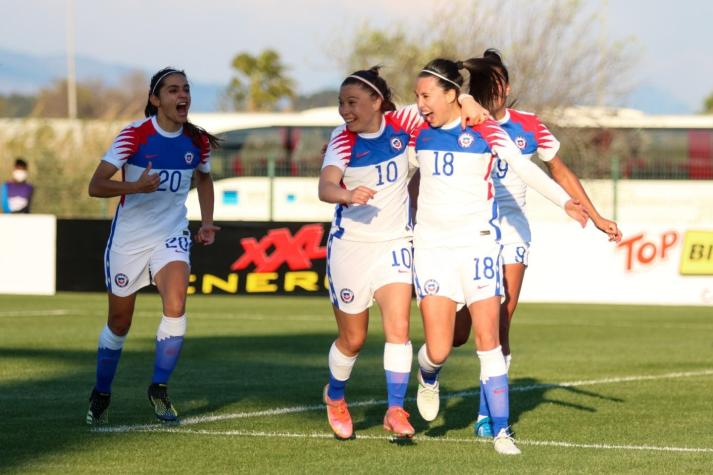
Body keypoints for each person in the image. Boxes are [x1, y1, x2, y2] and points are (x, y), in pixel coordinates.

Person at [409, 58, 588, 455]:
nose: (420, 103)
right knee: (440, 348)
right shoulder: (414, 127)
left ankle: (501, 430)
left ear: (450, 95)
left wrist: (565, 202)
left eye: (426, 96)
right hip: (433, 251)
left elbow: (526, 169)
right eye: (417, 96)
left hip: (479, 245)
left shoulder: (487, 130)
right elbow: (374, 124)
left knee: (490, 338)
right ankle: (428, 374)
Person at [447, 50, 622, 440]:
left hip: (511, 233)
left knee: (501, 320)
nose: (492, 91)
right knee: (457, 335)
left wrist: (595, 215)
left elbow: (559, 169)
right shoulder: (460, 122)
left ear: (507, 88)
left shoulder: (529, 126)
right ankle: (440, 353)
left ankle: (486, 413)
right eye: (484, 85)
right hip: (469, 230)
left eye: (498, 84)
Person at [318, 66, 486, 440]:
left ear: (377, 102)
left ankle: (395, 409)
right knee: (353, 340)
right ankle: (335, 395)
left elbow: (446, 102)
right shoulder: (342, 140)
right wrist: (346, 194)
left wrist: (470, 99)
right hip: (351, 249)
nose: (346, 111)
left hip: (395, 244)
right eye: (341, 103)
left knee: (399, 331)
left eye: (353, 103)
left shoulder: (402, 121)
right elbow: (326, 185)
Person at [85, 67, 220, 425]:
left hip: (171, 234)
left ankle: (158, 388)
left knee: (176, 305)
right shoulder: (134, 135)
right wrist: (134, 187)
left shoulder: (197, 140)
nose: (183, 96)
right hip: (129, 240)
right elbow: (96, 185)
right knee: (119, 322)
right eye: (174, 90)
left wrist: (206, 221)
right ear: (155, 99)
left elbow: (204, 178)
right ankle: (101, 392)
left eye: (187, 89)